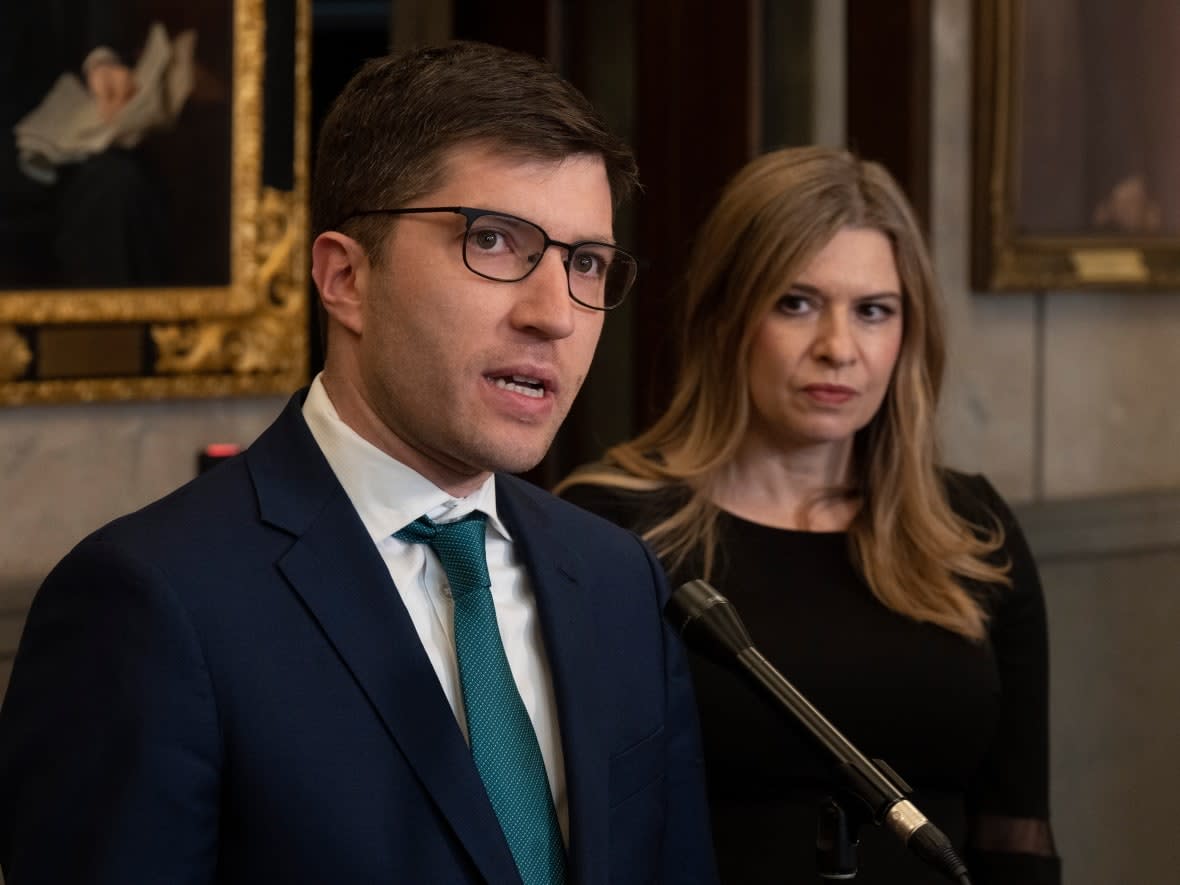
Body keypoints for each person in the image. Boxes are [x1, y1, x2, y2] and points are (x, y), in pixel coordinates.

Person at [0, 41, 718, 885]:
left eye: (586, 262)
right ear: (345, 276)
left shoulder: (616, 578)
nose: (556, 314)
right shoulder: (151, 603)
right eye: (493, 241)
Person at [557, 146, 1061, 884]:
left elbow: (1016, 832)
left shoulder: (972, 529)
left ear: (908, 334)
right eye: (796, 303)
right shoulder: (611, 527)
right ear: (727, 316)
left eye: (873, 311)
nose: (838, 348)